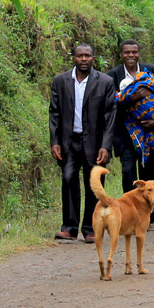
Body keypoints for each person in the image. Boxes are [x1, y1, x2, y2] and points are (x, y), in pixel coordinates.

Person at [49, 43, 117, 243]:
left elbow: (110, 116)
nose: (84, 59)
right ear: (74, 57)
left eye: (88, 56)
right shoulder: (61, 81)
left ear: (93, 58)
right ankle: (69, 227)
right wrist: (55, 141)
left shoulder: (105, 82)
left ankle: (90, 229)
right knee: (68, 180)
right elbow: (54, 113)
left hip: (95, 143)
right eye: (80, 56)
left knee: (94, 185)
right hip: (69, 141)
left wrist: (106, 145)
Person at [107, 39, 154, 231]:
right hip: (126, 134)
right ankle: (130, 215)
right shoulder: (112, 76)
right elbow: (109, 105)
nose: (131, 56)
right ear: (121, 54)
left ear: (139, 53)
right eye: (127, 52)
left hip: (151, 133)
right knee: (128, 174)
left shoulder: (153, 72)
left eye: (134, 52)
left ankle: (149, 218)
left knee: (149, 176)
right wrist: (131, 99)